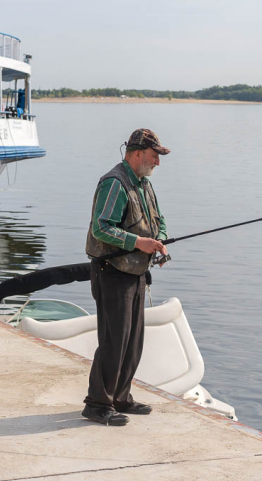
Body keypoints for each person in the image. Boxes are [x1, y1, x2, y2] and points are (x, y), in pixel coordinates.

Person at [82, 128, 170, 426]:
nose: (157, 163)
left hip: (136, 272)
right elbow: (101, 228)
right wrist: (138, 243)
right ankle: (96, 404)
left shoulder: (143, 184)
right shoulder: (114, 183)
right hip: (112, 273)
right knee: (114, 340)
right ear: (136, 154)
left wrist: (159, 242)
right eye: (154, 156)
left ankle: (120, 397)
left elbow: (159, 220)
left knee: (133, 341)